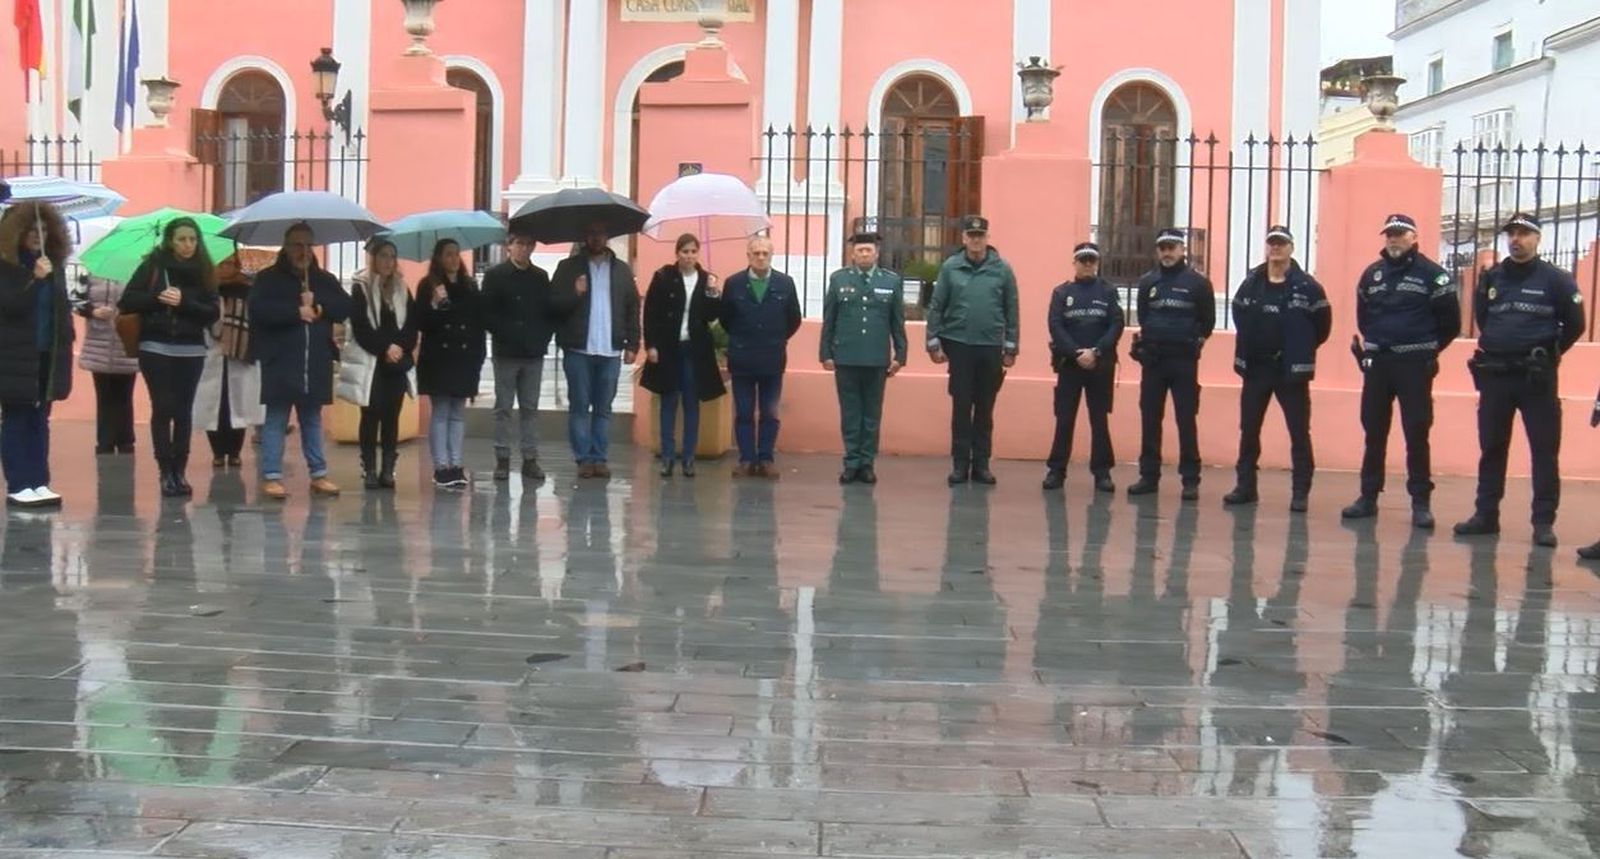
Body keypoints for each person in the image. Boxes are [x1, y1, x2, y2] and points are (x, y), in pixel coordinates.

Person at [1455, 212, 1584, 548]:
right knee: (1492, 447)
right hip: (1496, 375)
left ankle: (1543, 522)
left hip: (1535, 379)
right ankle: (1486, 515)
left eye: (1524, 233)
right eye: (1512, 233)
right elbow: (1483, 317)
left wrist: (1548, 353)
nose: (1516, 239)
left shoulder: (1557, 279)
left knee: (1543, 450)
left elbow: (1575, 324)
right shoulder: (1493, 277)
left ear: (1537, 239)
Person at [1342, 213, 1461, 529]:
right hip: (1379, 365)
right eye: (1389, 234)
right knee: (1374, 432)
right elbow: (1364, 317)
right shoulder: (1373, 274)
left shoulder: (1433, 276)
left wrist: (1426, 350)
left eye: (1399, 234)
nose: (1393, 239)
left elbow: (1451, 323)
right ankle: (1368, 496)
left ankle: (1421, 503)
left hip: (1414, 367)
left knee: (1416, 433)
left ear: (1413, 237)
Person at [1225, 225, 1331, 513]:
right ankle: (1245, 486)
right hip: (1257, 368)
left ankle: (1300, 492)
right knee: (1248, 429)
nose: (1276, 248)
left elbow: (1322, 326)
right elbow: (1238, 313)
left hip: (1290, 372)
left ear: (1291, 248)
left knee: (1298, 431)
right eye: (1272, 243)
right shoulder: (1251, 283)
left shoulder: (1307, 286)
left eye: (1281, 243)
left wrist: (1299, 349)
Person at [118, 217, 222, 498]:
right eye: (181, 239)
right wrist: (158, 298)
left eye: (192, 239)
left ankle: (180, 470)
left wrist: (184, 303)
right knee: (163, 407)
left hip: (191, 348)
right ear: (170, 241)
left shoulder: (204, 271)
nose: (188, 245)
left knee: (184, 410)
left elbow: (212, 311)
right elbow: (127, 301)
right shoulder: (153, 266)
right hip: (156, 346)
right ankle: (165, 471)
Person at [249, 222, 351, 500]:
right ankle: (271, 475)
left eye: (308, 245)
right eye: (297, 244)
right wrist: (296, 311)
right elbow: (259, 311)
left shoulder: (324, 279)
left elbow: (346, 306)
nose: (303, 250)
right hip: (281, 360)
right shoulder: (267, 279)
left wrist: (320, 307)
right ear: (286, 246)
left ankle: (319, 474)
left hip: (315, 360)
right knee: (276, 419)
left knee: (312, 419)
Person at [926, 215, 1019, 486]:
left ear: (987, 238)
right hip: (958, 345)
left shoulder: (1002, 269)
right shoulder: (950, 268)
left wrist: (1011, 346)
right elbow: (937, 306)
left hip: (990, 346)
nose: (976, 240)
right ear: (964, 238)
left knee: (985, 408)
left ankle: (981, 464)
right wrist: (933, 342)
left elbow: (1012, 309)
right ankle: (959, 464)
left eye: (981, 235)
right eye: (971, 235)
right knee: (961, 406)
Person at [1128, 228, 1215, 500]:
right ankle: (1148, 476)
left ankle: (1190, 479)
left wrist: (1192, 341)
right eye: (1163, 247)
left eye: (1172, 247)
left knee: (1186, 420)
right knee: (1150, 419)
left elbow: (1208, 322)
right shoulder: (1147, 282)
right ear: (1157, 250)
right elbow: (1144, 316)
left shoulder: (1198, 284)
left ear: (1182, 249)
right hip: (1154, 361)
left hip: (1183, 362)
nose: (1167, 252)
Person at [550, 224, 639, 479]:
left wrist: (632, 343)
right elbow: (554, 306)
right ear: (584, 237)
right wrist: (574, 293)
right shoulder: (568, 269)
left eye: (601, 233)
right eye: (591, 233)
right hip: (578, 349)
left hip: (610, 350)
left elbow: (632, 308)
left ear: (607, 237)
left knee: (603, 408)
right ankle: (583, 459)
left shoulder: (621, 270)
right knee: (579, 406)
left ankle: (599, 458)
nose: (596, 238)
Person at [0, 201, 74, 508]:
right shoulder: (8, 266)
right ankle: (19, 482)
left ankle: (39, 481)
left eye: (44, 229)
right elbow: (10, 306)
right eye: (32, 230)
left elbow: (60, 308)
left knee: (40, 418)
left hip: (48, 353)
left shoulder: (51, 263)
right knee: (17, 416)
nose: (38, 235)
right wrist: (36, 279)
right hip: (15, 355)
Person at [820, 231, 907, 485]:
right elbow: (830, 319)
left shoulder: (890, 281)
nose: (864, 254)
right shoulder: (839, 280)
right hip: (846, 356)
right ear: (853, 254)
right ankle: (851, 462)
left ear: (877, 253)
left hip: (876, 358)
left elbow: (897, 321)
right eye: (860, 250)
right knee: (850, 414)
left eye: (869, 250)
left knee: (871, 414)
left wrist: (900, 354)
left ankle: (867, 463)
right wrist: (825, 352)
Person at [641, 233, 726, 478]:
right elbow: (651, 314)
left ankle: (689, 458)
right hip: (668, 348)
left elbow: (711, 316)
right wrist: (651, 346)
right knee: (668, 402)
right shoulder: (663, 277)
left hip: (694, 349)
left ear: (697, 254)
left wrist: (712, 293)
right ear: (677, 253)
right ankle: (667, 457)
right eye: (685, 251)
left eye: (693, 252)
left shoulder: (705, 279)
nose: (689, 256)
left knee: (692, 403)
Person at [1043, 242, 1124, 492]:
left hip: (1100, 365)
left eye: (1091, 260)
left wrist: (1096, 351)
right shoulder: (1061, 293)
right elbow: (1055, 325)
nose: (1087, 265)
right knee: (1064, 418)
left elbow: (1116, 325)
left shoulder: (1108, 292)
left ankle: (1102, 473)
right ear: (1074, 263)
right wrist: (1076, 352)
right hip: (1070, 364)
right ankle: (1057, 471)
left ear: (1097, 263)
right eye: (1083, 260)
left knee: (1099, 420)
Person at [337, 238, 417, 490]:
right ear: (373, 258)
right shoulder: (360, 287)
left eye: (392, 257)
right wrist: (385, 348)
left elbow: (411, 326)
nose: (388, 262)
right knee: (370, 415)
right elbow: (361, 327)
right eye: (383, 256)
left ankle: (388, 469)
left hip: (396, 362)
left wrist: (399, 347)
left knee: (392, 416)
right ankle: (369, 467)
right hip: (372, 362)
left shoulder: (402, 289)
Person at [720, 236, 802, 478]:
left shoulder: (785, 283)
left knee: (770, 412)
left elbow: (794, 318)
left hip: (772, 359)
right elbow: (725, 318)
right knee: (744, 411)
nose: (760, 257)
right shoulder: (733, 284)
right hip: (742, 358)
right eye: (756, 253)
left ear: (771, 255)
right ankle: (746, 459)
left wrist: (776, 338)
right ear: (748, 255)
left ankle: (766, 458)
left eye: (765, 253)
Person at [479, 230, 552, 483]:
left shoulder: (540, 277)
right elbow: (486, 313)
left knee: (530, 408)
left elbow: (547, 311)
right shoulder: (494, 276)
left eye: (528, 243)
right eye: (519, 243)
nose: (523, 248)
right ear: (509, 246)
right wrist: (506, 333)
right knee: (504, 408)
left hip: (533, 352)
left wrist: (542, 337)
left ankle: (530, 459)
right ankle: (502, 458)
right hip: (506, 351)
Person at [414, 238, 485, 490]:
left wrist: (478, 360)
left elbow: (478, 325)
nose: (454, 259)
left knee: (457, 414)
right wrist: (435, 305)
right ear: (439, 258)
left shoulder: (469, 285)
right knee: (441, 411)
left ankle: (456, 464)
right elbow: (421, 323)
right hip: (439, 359)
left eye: (456, 254)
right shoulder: (428, 286)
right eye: (448, 254)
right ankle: (441, 466)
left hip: (464, 359)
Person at [193, 254, 262, 470]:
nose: (225, 268)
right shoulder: (205, 292)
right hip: (211, 353)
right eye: (221, 264)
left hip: (240, 355)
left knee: (238, 404)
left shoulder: (248, 290)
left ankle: (234, 452)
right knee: (214, 405)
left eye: (230, 264)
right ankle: (217, 452)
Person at [75, 274, 139, 455]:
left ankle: (126, 441)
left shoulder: (136, 272)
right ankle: (105, 441)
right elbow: (74, 300)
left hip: (125, 340)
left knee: (125, 395)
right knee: (104, 395)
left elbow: (144, 301)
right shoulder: (89, 274)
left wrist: (125, 310)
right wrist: (92, 311)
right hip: (98, 343)